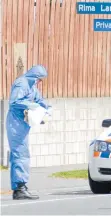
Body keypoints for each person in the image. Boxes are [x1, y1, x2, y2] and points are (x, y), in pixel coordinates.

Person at [6, 65, 50, 200]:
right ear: (34, 77)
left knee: (20, 154)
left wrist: (46, 109)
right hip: (16, 124)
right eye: (39, 79)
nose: (40, 82)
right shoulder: (22, 83)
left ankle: (20, 187)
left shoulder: (32, 87)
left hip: (22, 125)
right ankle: (20, 188)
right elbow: (14, 102)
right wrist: (32, 106)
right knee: (21, 154)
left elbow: (39, 100)